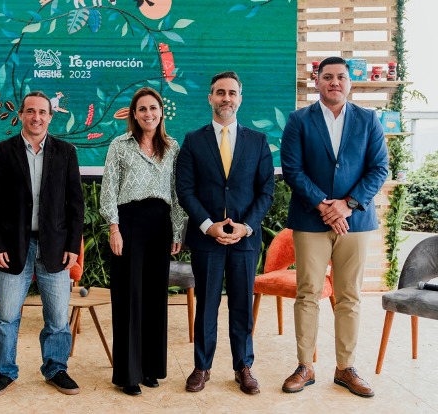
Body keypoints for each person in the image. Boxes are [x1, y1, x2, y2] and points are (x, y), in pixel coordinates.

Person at [280, 56, 388, 398]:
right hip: (310, 220)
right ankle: (305, 366)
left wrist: (347, 204)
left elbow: (379, 168)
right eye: (327, 77)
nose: (334, 82)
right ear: (317, 82)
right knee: (307, 293)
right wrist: (324, 205)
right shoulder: (299, 120)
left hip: (356, 222)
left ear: (349, 82)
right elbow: (292, 169)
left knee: (349, 295)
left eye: (341, 76)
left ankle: (346, 368)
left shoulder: (369, 120)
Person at [176, 71, 274, 395]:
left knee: (242, 305)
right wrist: (208, 225)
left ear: (240, 99)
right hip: (207, 240)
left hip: (245, 240)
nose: (226, 98)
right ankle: (202, 367)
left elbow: (266, 192)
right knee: (206, 305)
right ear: (210, 98)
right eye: (220, 92)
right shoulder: (193, 140)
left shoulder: (258, 141)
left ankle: (243, 366)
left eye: (232, 93)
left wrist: (246, 227)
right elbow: (185, 190)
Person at [0, 91, 84, 398]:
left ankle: (56, 368)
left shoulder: (66, 152)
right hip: (14, 247)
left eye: (42, 112)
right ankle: (4, 372)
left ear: (50, 117)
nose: (36, 117)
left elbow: (75, 204)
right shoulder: (0, 152)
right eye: (30, 111)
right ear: (21, 115)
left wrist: (73, 246)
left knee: (58, 318)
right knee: (7, 317)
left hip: (55, 246)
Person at [99, 87, 184, 396]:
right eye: (142, 109)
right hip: (129, 223)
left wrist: (177, 230)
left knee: (154, 298)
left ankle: (150, 368)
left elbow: (176, 192)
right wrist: (114, 229)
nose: (149, 113)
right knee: (128, 297)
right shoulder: (119, 145)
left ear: (161, 112)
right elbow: (109, 188)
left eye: (153, 108)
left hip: (160, 224)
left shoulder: (172, 147)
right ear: (134, 115)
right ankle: (128, 374)